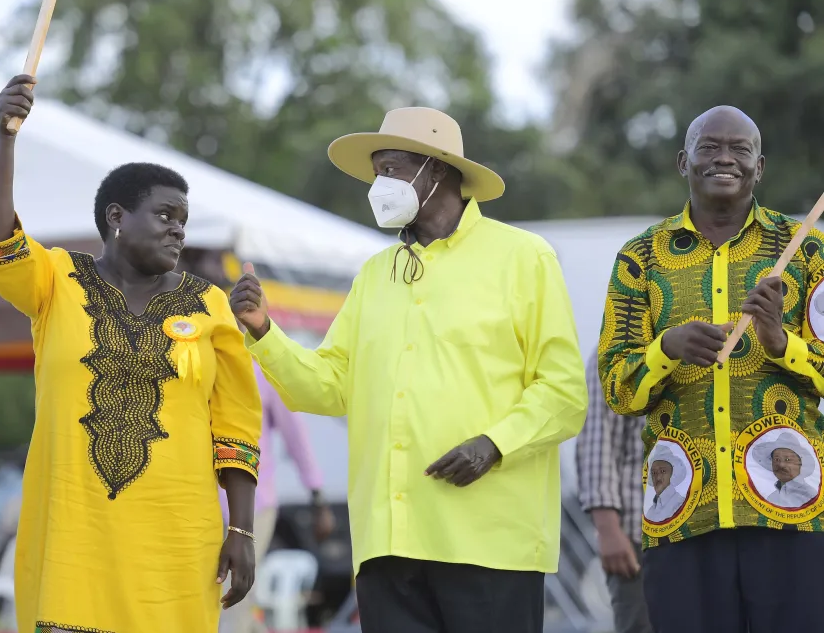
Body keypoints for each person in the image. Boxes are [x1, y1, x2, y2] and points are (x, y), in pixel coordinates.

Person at [230, 107, 588, 633]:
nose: (380, 185)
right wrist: (263, 331)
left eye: (392, 169)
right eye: (377, 172)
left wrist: (493, 444)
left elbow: (563, 391)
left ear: (436, 169)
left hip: (489, 543)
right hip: (387, 543)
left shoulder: (524, 258)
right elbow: (327, 388)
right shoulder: (375, 275)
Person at [0, 75, 263, 633]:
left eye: (182, 219)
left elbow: (237, 430)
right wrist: (5, 138)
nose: (177, 229)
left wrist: (242, 531)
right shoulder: (57, 279)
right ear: (116, 217)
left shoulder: (209, 305)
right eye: (164, 215)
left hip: (177, 542)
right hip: (74, 535)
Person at [599, 105, 824, 633]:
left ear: (759, 166)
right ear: (684, 161)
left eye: (740, 149)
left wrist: (778, 341)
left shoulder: (808, 251)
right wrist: (665, 348)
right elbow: (616, 387)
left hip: (789, 510)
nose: (725, 158)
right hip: (683, 514)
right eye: (710, 146)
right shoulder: (641, 258)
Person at [218, 365, 333, 633]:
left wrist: (317, 496)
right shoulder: (196, 355)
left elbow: (296, 435)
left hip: (253, 506)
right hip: (198, 504)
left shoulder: (263, 367)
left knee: (234, 592)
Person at [575, 349, 652, 633]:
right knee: (639, 624)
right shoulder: (615, 352)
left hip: (700, 532)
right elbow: (598, 442)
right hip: (635, 532)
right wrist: (608, 531)